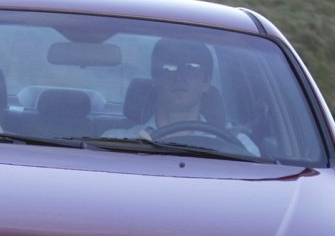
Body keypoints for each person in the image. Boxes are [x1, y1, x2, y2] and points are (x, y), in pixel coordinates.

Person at [107, 38, 259, 155]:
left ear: (206, 82)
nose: (180, 77)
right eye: (169, 68)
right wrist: (131, 156)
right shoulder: (117, 141)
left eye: (191, 68)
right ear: (156, 79)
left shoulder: (238, 147)